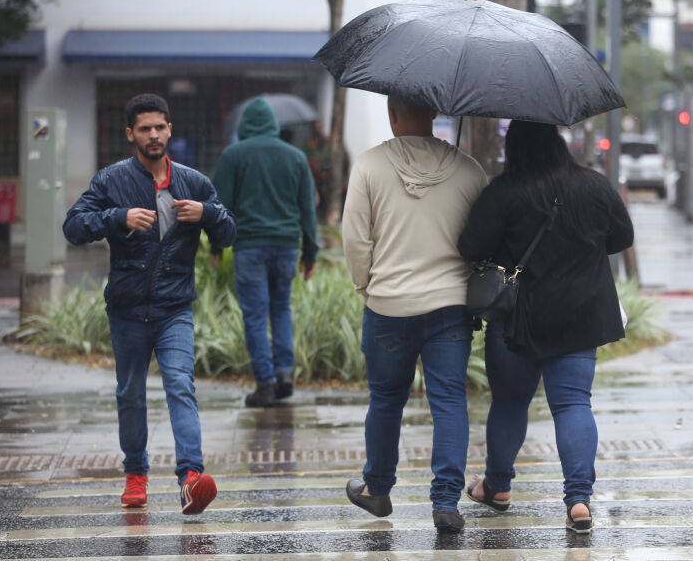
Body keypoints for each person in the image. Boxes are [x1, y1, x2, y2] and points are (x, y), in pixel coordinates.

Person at [457, 120, 634, 534]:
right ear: (558, 143)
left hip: (519, 318)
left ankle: (497, 486)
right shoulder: (593, 185)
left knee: (510, 404)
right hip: (580, 314)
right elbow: (622, 236)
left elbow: (470, 248)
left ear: (513, 148)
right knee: (573, 403)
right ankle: (579, 500)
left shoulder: (503, 192)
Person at [63, 93, 236, 514]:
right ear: (131, 134)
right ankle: (136, 474)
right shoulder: (111, 181)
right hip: (126, 308)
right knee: (130, 393)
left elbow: (230, 233)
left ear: (170, 130)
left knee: (181, 384)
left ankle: (191, 478)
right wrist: (116, 217)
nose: (153, 135)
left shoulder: (194, 182)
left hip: (174, 305)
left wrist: (208, 214)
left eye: (160, 127)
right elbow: (72, 227)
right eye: (145, 129)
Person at [341, 96, 487, 533]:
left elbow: (354, 238)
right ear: (436, 113)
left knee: (386, 401)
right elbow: (481, 240)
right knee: (448, 403)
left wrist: (367, 286)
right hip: (449, 307)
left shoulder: (369, 166)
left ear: (392, 114)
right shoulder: (469, 171)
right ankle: (445, 503)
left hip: (388, 304)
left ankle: (378, 488)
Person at [212, 97, 318, 408]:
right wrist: (310, 253)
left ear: (244, 126)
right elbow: (307, 210)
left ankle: (266, 383)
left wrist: (217, 245)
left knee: (256, 315)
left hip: (250, 247)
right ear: (274, 124)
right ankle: (285, 374)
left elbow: (220, 205)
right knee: (281, 308)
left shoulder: (234, 155)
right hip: (286, 246)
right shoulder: (296, 157)